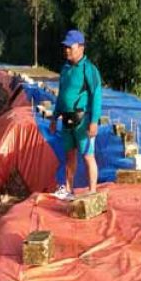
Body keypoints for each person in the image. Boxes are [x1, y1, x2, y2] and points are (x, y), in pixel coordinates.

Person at [49, 30, 103, 200]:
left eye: (69, 47)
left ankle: (92, 190)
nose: (66, 50)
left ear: (80, 47)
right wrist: (53, 117)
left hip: (82, 119)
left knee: (88, 155)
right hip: (66, 118)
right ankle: (68, 188)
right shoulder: (65, 69)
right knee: (69, 155)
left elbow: (96, 95)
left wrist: (94, 121)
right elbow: (61, 96)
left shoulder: (89, 69)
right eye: (65, 47)